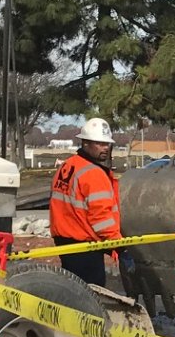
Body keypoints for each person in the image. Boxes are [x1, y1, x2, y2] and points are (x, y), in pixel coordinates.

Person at [49, 117, 126, 288]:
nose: (105, 147)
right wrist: (120, 247)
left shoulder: (67, 166)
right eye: (99, 143)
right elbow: (101, 218)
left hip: (65, 240)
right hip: (83, 245)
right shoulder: (93, 174)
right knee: (91, 294)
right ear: (85, 143)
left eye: (107, 144)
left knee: (72, 291)